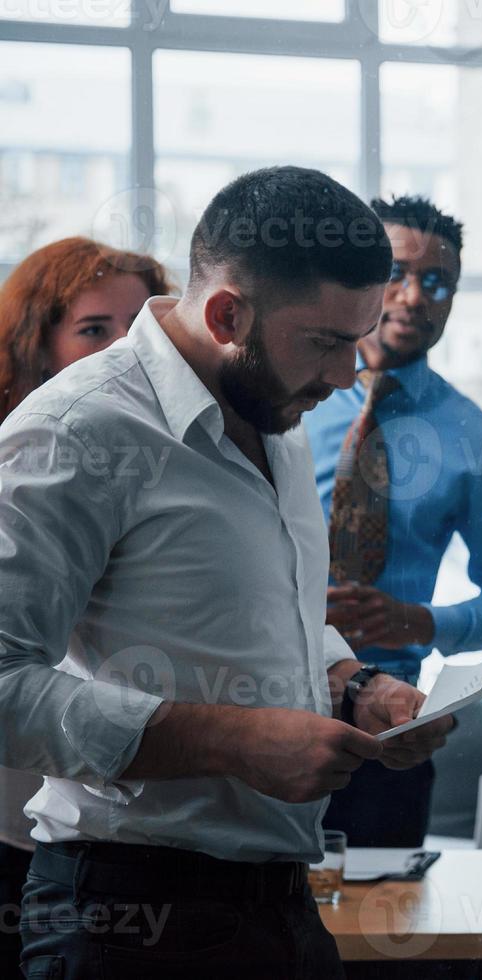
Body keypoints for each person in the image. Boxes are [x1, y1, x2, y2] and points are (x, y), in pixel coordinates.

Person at [0, 166, 454, 979]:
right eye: (325, 343)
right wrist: (231, 741)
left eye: (357, 340)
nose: (346, 377)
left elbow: (276, 614)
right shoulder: (77, 430)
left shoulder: (275, 406)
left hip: (280, 910)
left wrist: (355, 683)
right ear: (226, 315)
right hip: (126, 923)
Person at [305, 194, 482, 848]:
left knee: (386, 935)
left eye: (437, 283)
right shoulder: (285, 401)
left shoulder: (477, 439)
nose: (414, 297)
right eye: (396, 274)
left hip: (391, 730)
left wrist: (421, 622)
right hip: (266, 705)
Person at [0, 236, 174, 979]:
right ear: (37, 346)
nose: (121, 350)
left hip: (108, 816)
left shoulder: (165, 457)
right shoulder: (34, 453)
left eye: (138, 330)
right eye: (94, 329)